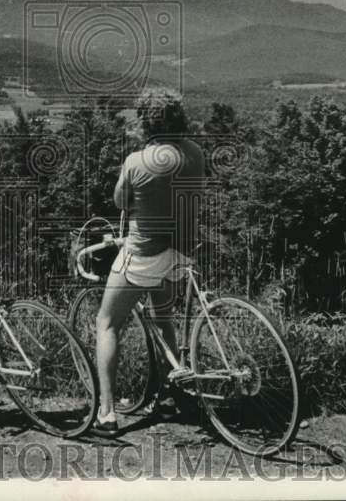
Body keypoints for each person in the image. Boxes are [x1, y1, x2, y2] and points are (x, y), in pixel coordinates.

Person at [93, 90, 204, 436]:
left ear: (146, 122)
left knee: (107, 323)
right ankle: (172, 394)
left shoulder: (137, 161)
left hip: (144, 254)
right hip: (182, 251)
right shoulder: (195, 152)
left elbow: (120, 201)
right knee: (162, 316)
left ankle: (107, 413)